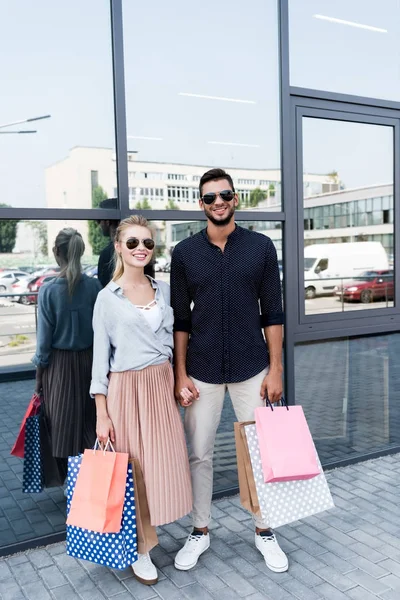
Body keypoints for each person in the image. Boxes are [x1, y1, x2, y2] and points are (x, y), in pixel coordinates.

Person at [171, 168, 288, 573]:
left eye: (224, 195)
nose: (218, 202)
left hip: (252, 368)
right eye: (209, 197)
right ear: (200, 204)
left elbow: (272, 312)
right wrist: (179, 373)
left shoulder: (260, 248)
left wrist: (276, 369)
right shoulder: (184, 254)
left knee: (260, 452)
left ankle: (264, 530)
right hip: (201, 370)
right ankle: (200, 530)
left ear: (235, 199)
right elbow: (180, 322)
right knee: (199, 454)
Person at [91, 215, 192, 586]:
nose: (141, 249)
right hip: (126, 390)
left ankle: (155, 534)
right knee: (131, 472)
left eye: (147, 243)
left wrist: (179, 379)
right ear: (118, 246)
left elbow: (173, 340)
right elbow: (99, 362)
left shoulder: (162, 290)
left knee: (160, 465)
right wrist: (102, 413)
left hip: (160, 386)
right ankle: (140, 548)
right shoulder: (107, 298)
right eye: (132, 242)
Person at [33, 228, 102, 481]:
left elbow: (43, 344)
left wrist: (39, 379)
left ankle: (71, 483)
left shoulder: (48, 291)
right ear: (81, 251)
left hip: (58, 367)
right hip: (90, 362)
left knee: (61, 424)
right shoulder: (95, 287)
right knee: (90, 421)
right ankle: (91, 480)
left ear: (56, 252)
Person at [97, 198, 154, 286]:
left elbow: (103, 285)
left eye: (99, 221)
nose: (99, 225)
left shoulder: (107, 253)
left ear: (107, 222)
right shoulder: (143, 250)